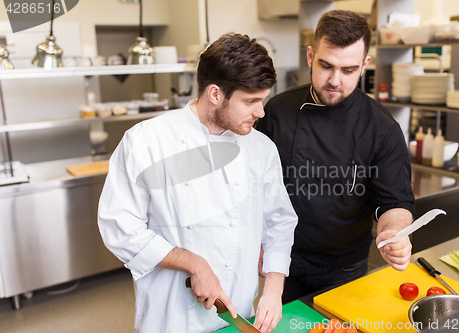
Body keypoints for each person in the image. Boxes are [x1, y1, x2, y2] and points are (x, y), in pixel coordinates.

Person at [98, 33, 298, 333]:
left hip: (238, 313)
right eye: (251, 101)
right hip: (171, 320)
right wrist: (193, 262)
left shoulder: (261, 148)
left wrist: (273, 288)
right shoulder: (146, 141)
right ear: (215, 94)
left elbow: (279, 223)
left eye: (263, 99)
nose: (261, 112)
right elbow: (119, 226)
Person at [256, 10, 416, 303]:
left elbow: (395, 202)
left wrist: (394, 232)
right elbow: (252, 182)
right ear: (310, 56)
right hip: (281, 259)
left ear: (364, 65)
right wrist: (256, 238)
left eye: (348, 70)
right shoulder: (277, 111)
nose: (334, 80)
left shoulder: (382, 129)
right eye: (326, 65)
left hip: (344, 268)